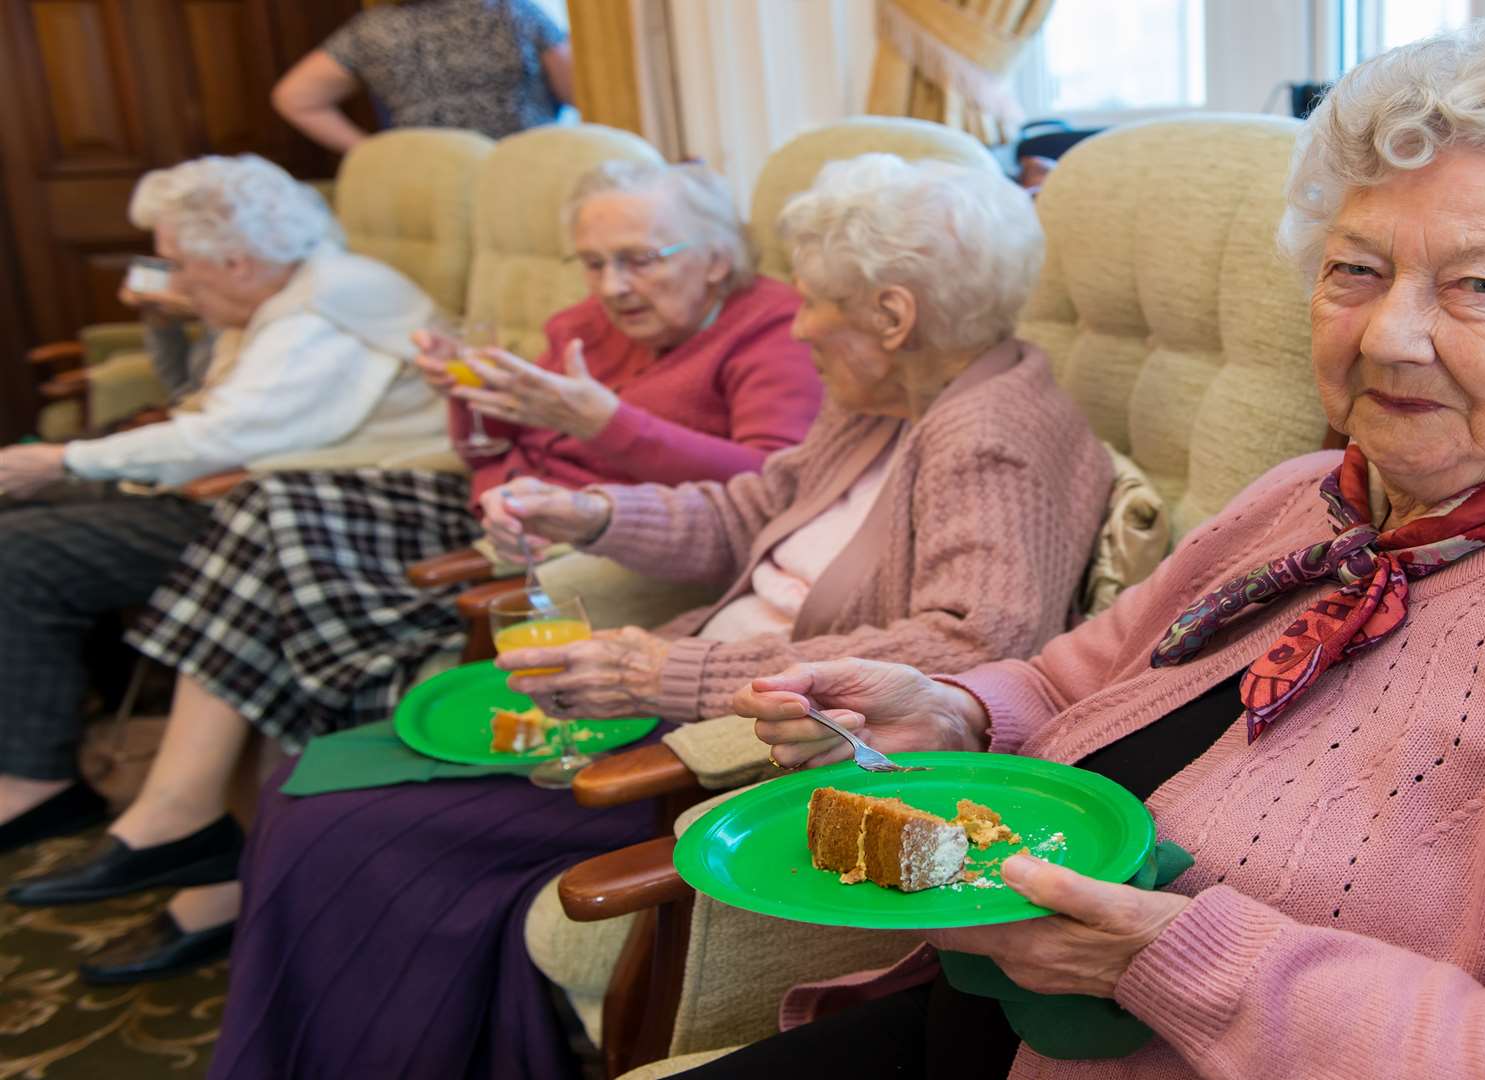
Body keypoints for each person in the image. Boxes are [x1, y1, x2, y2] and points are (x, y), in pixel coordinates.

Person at [727, 16, 1485, 1080]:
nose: (1390, 335)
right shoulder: (1315, 497)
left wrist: (1193, 966)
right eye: (1357, 270)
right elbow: (1080, 684)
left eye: (1480, 286)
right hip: (986, 1013)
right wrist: (956, 714)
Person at [200, 153, 1113, 1079]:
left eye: (808, 302)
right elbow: (750, 510)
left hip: (739, 755)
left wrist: (661, 674)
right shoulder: (885, 402)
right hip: (676, 701)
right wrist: (595, 516)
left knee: (341, 823)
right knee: (313, 781)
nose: (795, 328)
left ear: (893, 314)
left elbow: (973, 644)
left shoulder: (990, 436)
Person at [5, 161, 824, 985]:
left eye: (640, 258)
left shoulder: (769, 329)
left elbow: (767, 485)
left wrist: (604, 424)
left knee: (274, 520)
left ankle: (197, 835)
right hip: (513, 524)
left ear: (717, 257)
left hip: (619, 539)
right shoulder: (583, 323)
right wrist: (481, 445)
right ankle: (193, 829)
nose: (613, 285)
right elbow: (501, 451)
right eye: (594, 260)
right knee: (267, 508)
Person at [0, 154, 442, 854]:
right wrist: (168, 321)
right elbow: (195, 402)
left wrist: (58, 458)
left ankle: (38, 777)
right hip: (237, 494)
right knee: (18, 523)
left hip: (301, 519)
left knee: (15, 553)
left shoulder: (322, 311)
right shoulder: (280, 293)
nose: (171, 277)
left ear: (237, 261)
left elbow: (224, 434)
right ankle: (52, 745)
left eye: (179, 263)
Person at [272, 0, 573, 153]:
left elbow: (293, 97)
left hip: (428, 176)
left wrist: (369, 151)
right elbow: (574, 88)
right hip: (519, 163)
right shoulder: (511, 11)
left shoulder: (372, 30)